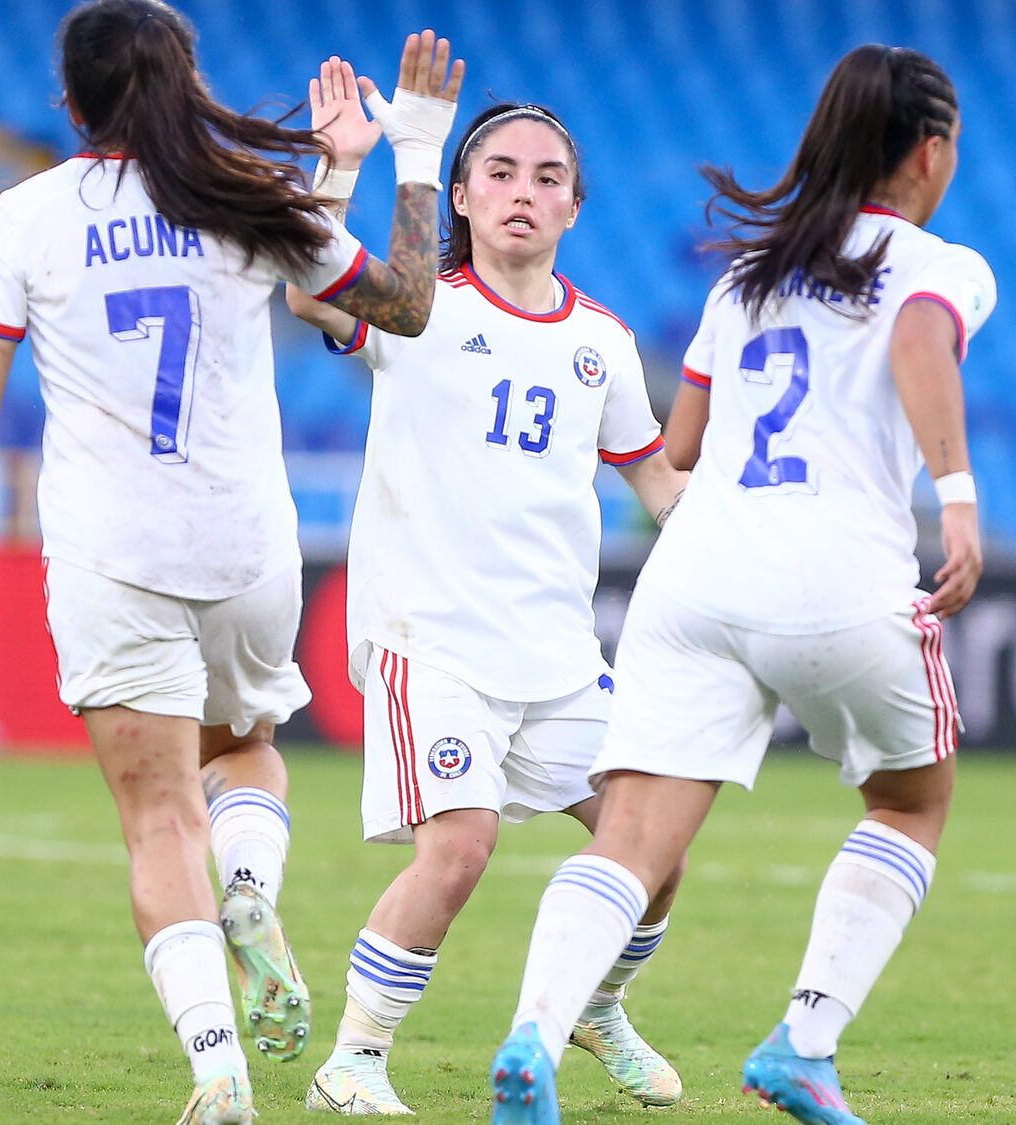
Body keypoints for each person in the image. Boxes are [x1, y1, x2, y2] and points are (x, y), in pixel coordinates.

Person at [0, 4, 466, 1122]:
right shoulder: (241, 200)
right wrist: (398, 152)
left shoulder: (22, 217)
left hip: (110, 555)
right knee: (247, 750)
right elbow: (395, 305)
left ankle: (216, 1071)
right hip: (246, 544)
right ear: (186, 84)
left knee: (157, 817)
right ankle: (253, 890)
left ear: (66, 102)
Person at [486, 44, 996, 1125]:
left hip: (698, 578)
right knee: (909, 802)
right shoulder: (936, 265)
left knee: (630, 833)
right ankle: (802, 1045)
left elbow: (679, 441)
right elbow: (915, 335)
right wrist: (952, 490)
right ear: (931, 150)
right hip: (837, 577)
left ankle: (531, 1034)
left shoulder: (742, 277)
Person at [284, 78, 691, 1116]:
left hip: (555, 654)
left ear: (573, 207)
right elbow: (307, 292)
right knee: (459, 845)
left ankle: (595, 1006)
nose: (522, 191)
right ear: (459, 195)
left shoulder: (597, 341)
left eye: (546, 177)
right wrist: (340, 166)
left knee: (654, 843)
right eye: (499, 172)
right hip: (433, 640)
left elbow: (655, 486)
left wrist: (772, 525)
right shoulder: (418, 305)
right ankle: (355, 1059)